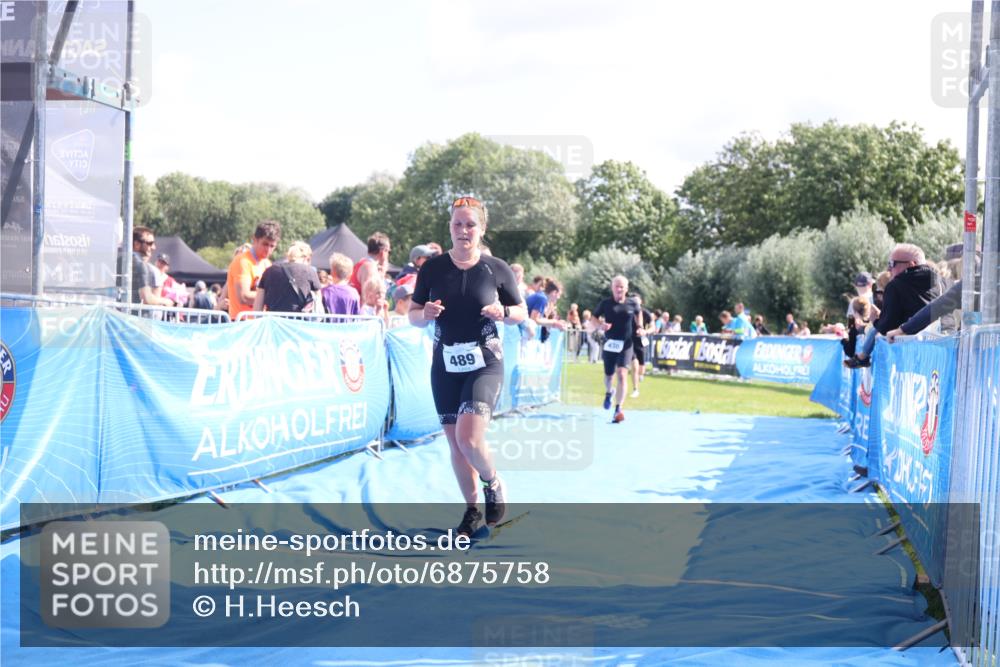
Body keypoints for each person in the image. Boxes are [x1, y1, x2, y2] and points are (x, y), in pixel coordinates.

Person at [409, 196, 526, 536]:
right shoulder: (432, 268)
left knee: (469, 438)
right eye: (457, 224)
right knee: (455, 444)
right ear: (450, 227)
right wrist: (424, 314)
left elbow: (520, 313)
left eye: (470, 224)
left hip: (484, 363)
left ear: (482, 229)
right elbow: (413, 315)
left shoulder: (496, 269)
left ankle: (492, 482)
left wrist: (503, 313)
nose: (463, 230)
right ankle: (472, 510)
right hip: (445, 365)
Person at [846, 243, 942, 368]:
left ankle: (861, 358)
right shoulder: (939, 283)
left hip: (907, 355)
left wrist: (876, 320)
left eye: (892, 264)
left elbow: (887, 327)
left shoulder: (896, 285)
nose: (888, 269)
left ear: (911, 264)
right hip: (937, 351)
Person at [594, 275, 640, 423]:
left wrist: (640, 327)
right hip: (609, 344)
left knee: (621, 374)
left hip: (626, 345)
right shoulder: (605, 304)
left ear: (626, 288)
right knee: (608, 376)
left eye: (622, 286)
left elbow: (639, 316)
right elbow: (593, 318)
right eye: (616, 286)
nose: (619, 289)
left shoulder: (633, 303)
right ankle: (609, 392)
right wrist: (601, 325)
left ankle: (618, 409)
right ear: (612, 288)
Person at [227, 221, 281, 320]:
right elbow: (244, 297)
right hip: (241, 322)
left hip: (258, 322)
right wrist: (273, 296)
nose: (268, 249)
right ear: (254, 239)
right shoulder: (242, 261)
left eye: (272, 246)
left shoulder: (267, 264)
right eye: (265, 244)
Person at [254, 241, 321, 313]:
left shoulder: (269, 271)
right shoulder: (310, 272)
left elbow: (257, 308)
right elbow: (319, 307)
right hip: (300, 323)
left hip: (273, 322)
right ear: (306, 258)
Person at [130, 227, 174, 307]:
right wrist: (166, 301)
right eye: (149, 243)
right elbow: (146, 298)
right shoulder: (141, 266)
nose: (154, 247)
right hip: (137, 317)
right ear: (136, 244)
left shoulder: (121, 261)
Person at [525, 278, 568, 342]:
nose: (558, 298)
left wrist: (556, 323)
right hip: (526, 335)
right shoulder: (542, 298)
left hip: (527, 334)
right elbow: (534, 319)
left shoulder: (541, 296)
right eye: (559, 295)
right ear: (554, 292)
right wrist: (554, 322)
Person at [630, 294, 655, 398]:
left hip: (640, 341)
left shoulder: (645, 313)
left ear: (641, 302)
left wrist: (645, 331)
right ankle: (635, 389)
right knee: (634, 366)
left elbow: (653, 327)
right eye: (633, 301)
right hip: (629, 342)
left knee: (641, 366)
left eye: (637, 301)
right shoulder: (627, 311)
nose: (635, 303)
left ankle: (641, 375)